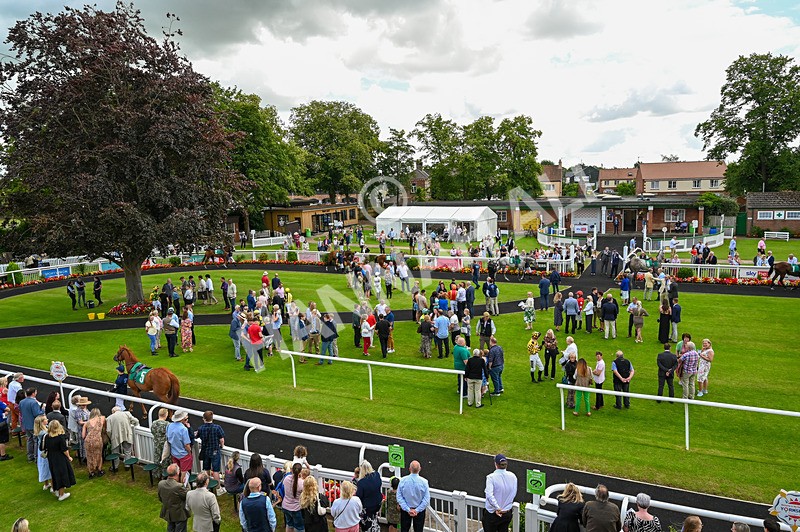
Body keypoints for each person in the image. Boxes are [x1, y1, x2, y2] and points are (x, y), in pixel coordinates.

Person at [482, 454, 517, 532]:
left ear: (496, 464)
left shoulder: (491, 477)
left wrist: (498, 508)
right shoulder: (513, 476)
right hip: (506, 513)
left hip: (493, 514)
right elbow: (513, 493)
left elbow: (489, 495)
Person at [43, 420, 75, 501]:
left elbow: (43, 447)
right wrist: (69, 457)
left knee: (54, 473)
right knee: (62, 474)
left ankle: (56, 490)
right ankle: (61, 494)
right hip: (60, 458)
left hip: (51, 457)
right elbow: (64, 449)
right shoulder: (60, 437)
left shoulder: (47, 437)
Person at [397, 460, 430, 532]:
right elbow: (426, 499)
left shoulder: (403, 480)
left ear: (409, 469)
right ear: (420, 469)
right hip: (419, 511)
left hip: (406, 510)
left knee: (404, 530)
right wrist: (417, 510)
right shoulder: (424, 482)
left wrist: (407, 509)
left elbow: (399, 497)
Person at [197, 410, 226, 491]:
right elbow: (222, 440)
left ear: (204, 419)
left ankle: (208, 486)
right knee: (216, 470)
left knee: (207, 469)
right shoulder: (217, 427)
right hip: (215, 451)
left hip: (205, 451)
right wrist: (222, 446)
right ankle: (218, 488)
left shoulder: (201, 428)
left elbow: (196, 436)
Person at [106, 405, 139, 471]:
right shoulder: (127, 413)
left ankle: (115, 467)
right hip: (126, 435)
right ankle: (127, 465)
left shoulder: (109, 418)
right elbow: (136, 421)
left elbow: (108, 430)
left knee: (115, 452)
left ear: (113, 411)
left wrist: (110, 437)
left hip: (116, 437)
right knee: (127, 450)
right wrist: (133, 424)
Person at [159, 463, 190, 532]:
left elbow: (160, 498)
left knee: (170, 528)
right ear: (177, 472)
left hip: (168, 512)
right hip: (179, 514)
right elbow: (188, 495)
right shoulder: (178, 486)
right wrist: (186, 483)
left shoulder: (161, 484)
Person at [356, 460, 383, 532]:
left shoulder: (361, 483)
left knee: (367, 524)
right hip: (377, 504)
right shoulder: (377, 475)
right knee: (374, 519)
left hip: (367, 507)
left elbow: (359, 496)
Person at [167, 410, 193, 484]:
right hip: (183, 454)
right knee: (184, 473)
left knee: (176, 472)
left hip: (174, 453)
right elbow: (186, 444)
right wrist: (189, 452)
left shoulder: (169, 425)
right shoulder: (183, 429)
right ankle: (181, 487)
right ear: (182, 419)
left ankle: (175, 486)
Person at [19, 387, 44, 462]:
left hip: (26, 424)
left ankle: (30, 456)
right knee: (36, 440)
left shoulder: (22, 402)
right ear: (33, 393)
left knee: (29, 440)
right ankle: (36, 458)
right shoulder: (33, 402)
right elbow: (37, 414)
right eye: (35, 392)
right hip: (33, 425)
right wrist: (42, 410)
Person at [82, 407, 106, 478]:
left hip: (88, 441)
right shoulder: (102, 419)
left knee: (89, 456)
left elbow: (83, 436)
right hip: (97, 440)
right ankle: (99, 470)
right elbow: (105, 429)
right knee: (99, 455)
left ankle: (91, 472)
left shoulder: (86, 423)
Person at [282, 462, 305, 532]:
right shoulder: (301, 483)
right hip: (296, 508)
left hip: (286, 506)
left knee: (289, 524)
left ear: (291, 470)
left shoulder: (286, 478)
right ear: (301, 471)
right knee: (299, 528)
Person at [151, 407, 171, 480]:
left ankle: (157, 474)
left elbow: (153, 432)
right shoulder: (167, 424)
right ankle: (165, 475)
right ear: (166, 415)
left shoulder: (154, 423)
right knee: (165, 459)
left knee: (157, 459)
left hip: (157, 444)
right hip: (164, 445)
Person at [34, 414, 52, 493]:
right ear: (42, 422)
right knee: (49, 466)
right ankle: (52, 484)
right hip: (46, 451)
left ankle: (46, 483)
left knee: (43, 467)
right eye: (45, 419)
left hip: (41, 451)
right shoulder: (44, 432)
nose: (47, 420)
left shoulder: (40, 431)